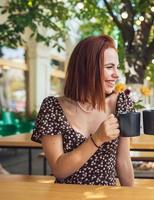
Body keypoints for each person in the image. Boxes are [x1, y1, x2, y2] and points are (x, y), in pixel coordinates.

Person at [31, 35, 134, 186]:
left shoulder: (122, 104)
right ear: (88, 68)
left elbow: (123, 161)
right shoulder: (52, 107)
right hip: (65, 196)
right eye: (109, 67)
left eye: (117, 67)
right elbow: (58, 169)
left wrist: (132, 195)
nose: (116, 75)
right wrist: (97, 139)